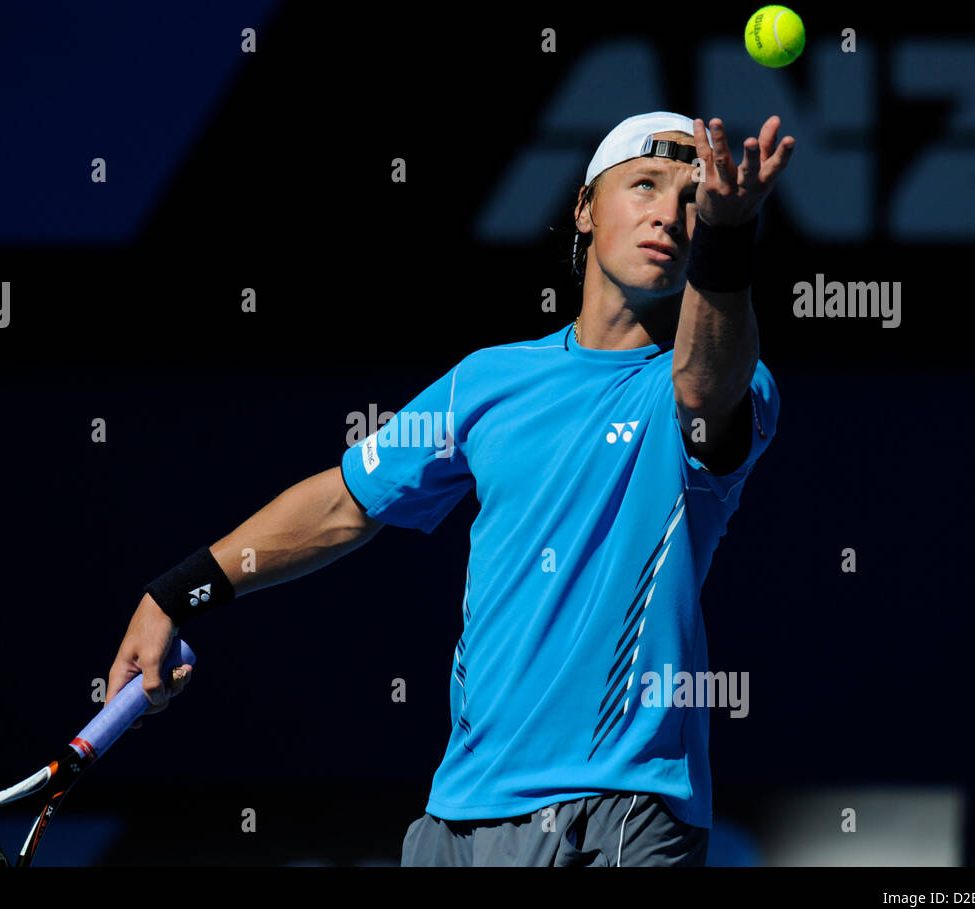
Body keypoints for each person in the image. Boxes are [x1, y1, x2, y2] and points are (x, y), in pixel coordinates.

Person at [104, 109, 795, 866]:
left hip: (620, 809)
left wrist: (729, 241)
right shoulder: (486, 382)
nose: (668, 211)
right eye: (643, 185)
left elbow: (706, 381)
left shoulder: (718, 381)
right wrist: (173, 594)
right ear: (585, 208)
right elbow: (343, 502)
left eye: (693, 198)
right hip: (457, 816)